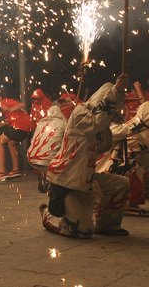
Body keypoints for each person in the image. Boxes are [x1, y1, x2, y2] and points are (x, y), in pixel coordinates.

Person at [40, 74, 131, 238]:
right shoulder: (80, 113)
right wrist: (116, 92)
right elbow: (96, 123)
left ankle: (107, 225)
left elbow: (106, 140)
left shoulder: (101, 122)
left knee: (121, 184)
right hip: (68, 182)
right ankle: (50, 217)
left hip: (86, 179)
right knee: (82, 231)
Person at [27, 93, 71, 193]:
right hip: (48, 160)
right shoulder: (64, 123)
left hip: (30, 158)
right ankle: (55, 181)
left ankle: (45, 175)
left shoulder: (41, 122)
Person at [0, 89, 33, 181]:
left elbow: (22, 104)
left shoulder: (5, 101)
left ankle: (1, 172)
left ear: (0, 97)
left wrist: (9, 108)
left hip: (20, 126)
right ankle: (15, 170)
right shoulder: (2, 105)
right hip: (24, 127)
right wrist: (3, 123)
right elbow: (14, 116)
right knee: (11, 143)